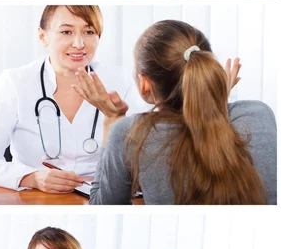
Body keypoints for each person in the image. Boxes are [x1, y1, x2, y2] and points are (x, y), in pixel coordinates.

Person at [73, 20, 277, 204]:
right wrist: (214, 98)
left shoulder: (131, 133)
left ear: (145, 85)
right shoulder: (258, 113)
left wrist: (112, 119)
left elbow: (103, 205)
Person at [0, 5, 145, 193]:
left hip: (103, 194)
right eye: (66, 31)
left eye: (89, 31)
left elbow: (146, 157)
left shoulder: (119, 80)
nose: (79, 43)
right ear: (43, 37)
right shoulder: (15, 82)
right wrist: (31, 177)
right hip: (35, 198)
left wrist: (116, 118)